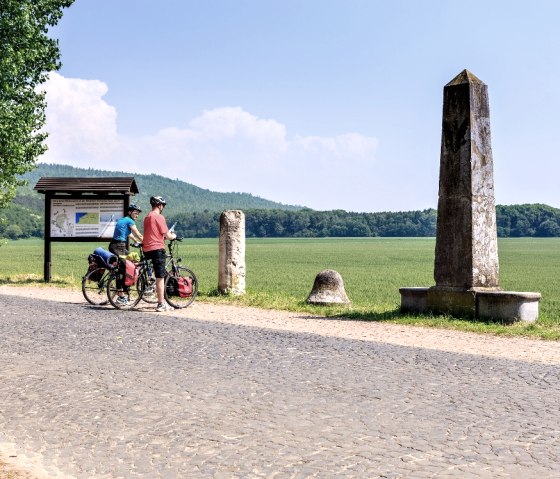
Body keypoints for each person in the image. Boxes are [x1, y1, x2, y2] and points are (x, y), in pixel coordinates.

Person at [143, 195, 176, 312]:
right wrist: (174, 236)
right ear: (160, 205)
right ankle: (161, 304)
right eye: (162, 205)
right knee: (160, 277)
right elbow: (167, 235)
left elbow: (155, 234)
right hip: (157, 249)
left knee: (156, 273)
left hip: (147, 249)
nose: (163, 207)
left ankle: (156, 294)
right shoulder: (159, 217)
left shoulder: (147, 217)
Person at [109, 204, 144, 305]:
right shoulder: (130, 221)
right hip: (118, 246)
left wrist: (135, 240)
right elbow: (137, 233)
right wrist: (145, 241)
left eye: (138, 214)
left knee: (134, 259)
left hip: (117, 246)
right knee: (123, 270)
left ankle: (126, 285)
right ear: (129, 212)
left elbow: (127, 233)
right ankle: (121, 297)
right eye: (135, 213)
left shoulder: (124, 220)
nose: (136, 215)